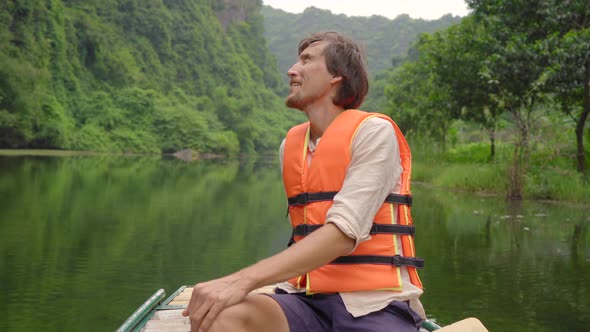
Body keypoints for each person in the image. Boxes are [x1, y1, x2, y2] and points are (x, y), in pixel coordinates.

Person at [182, 31, 425, 332]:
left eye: (307, 60)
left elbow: (342, 234)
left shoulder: (373, 133)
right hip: (305, 300)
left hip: (374, 304)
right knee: (218, 316)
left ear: (337, 76)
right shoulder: (291, 145)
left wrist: (240, 281)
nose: (292, 69)